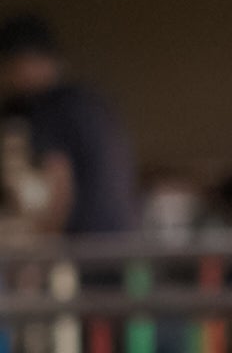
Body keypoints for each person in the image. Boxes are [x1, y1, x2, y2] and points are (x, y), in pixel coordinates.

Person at [0, 14, 137, 238]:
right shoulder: (90, 100)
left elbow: (58, 180)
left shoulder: (49, 106)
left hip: (82, 245)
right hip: (120, 240)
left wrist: (43, 245)